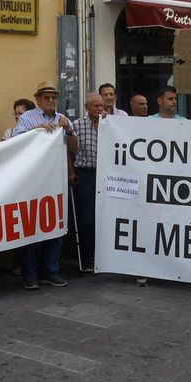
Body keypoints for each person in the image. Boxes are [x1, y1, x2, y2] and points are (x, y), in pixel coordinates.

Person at [9, 82, 76, 289]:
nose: (50, 100)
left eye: (53, 97)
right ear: (37, 99)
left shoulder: (62, 119)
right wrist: (36, 131)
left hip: (55, 179)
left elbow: (74, 148)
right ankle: (30, 273)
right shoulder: (28, 118)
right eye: (46, 97)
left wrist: (69, 131)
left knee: (55, 225)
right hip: (32, 180)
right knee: (31, 226)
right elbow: (16, 142)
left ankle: (50, 271)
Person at [68, 96, 103, 273]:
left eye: (102, 106)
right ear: (86, 107)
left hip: (106, 175)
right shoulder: (77, 125)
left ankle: (103, 257)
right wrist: (71, 171)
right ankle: (87, 259)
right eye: (96, 106)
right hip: (86, 173)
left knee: (104, 216)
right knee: (87, 218)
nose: (100, 109)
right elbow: (70, 150)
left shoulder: (111, 123)